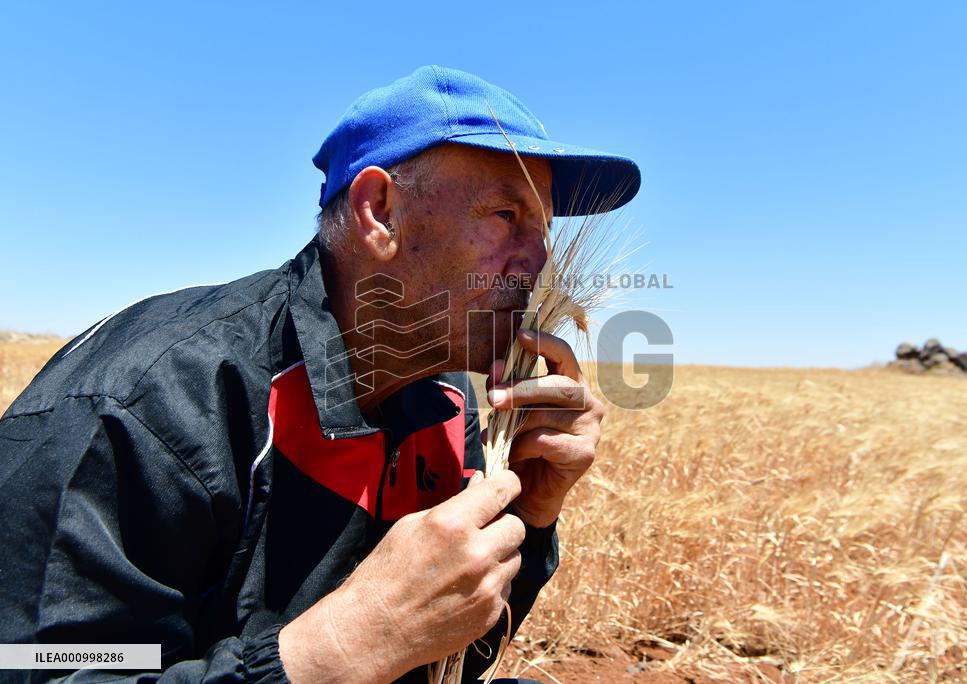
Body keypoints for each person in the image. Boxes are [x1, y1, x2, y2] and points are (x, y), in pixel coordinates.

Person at [0, 66, 640, 682]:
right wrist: (339, 648)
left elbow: (449, 663)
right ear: (379, 212)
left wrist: (529, 511)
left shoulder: (447, 411)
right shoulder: (152, 403)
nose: (539, 260)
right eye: (507, 216)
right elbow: (35, 667)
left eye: (545, 229)